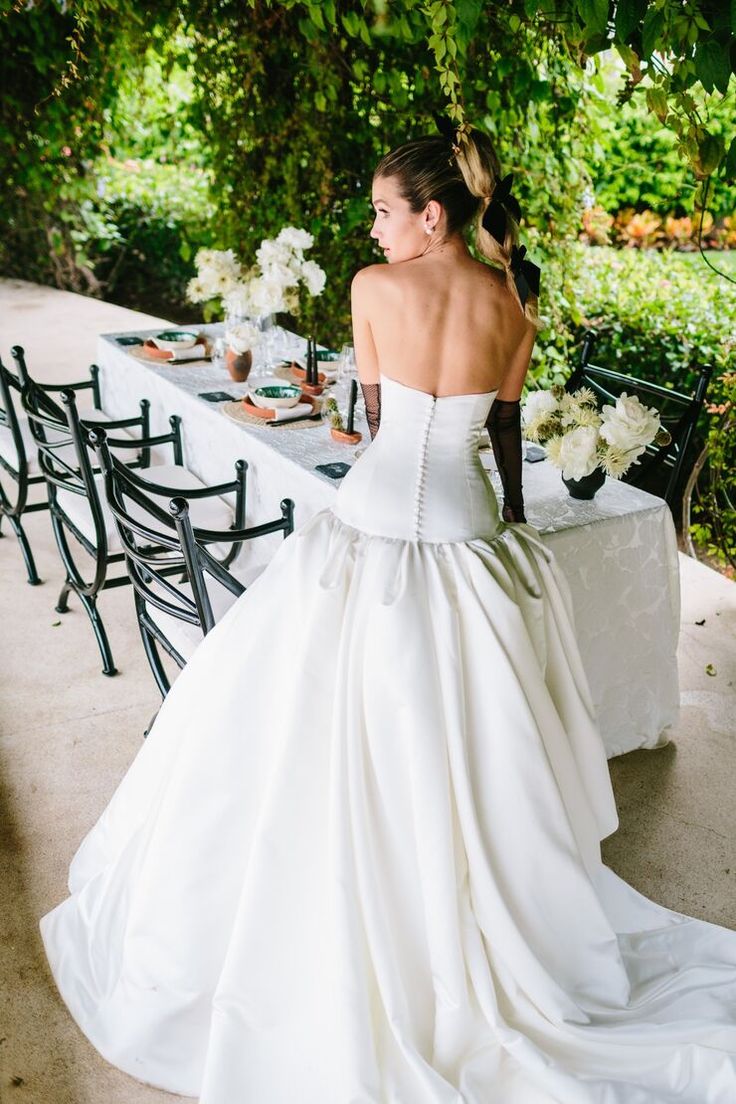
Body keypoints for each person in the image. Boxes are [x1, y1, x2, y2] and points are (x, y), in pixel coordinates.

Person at [41, 124, 736, 1104]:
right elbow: (498, 430)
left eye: (380, 211)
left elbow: (374, 428)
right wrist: (512, 529)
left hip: (371, 525)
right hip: (471, 536)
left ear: (430, 213)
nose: (373, 230)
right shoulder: (512, 301)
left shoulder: (374, 292)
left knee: (326, 730)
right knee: (471, 749)